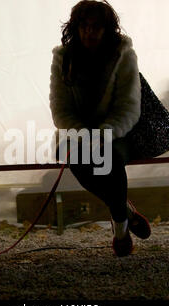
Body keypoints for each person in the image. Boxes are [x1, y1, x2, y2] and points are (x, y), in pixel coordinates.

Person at [49, 0, 151, 257]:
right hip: (77, 132)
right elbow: (60, 109)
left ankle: (120, 230)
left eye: (96, 26)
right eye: (84, 25)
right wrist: (84, 135)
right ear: (75, 27)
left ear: (107, 29)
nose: (89, 32)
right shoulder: (63, 57)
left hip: (118, 132)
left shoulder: (123, 55)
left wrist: (104, 135)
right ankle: (125, 212)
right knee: (78, 160)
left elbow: (129, 106)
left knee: (111, 159)